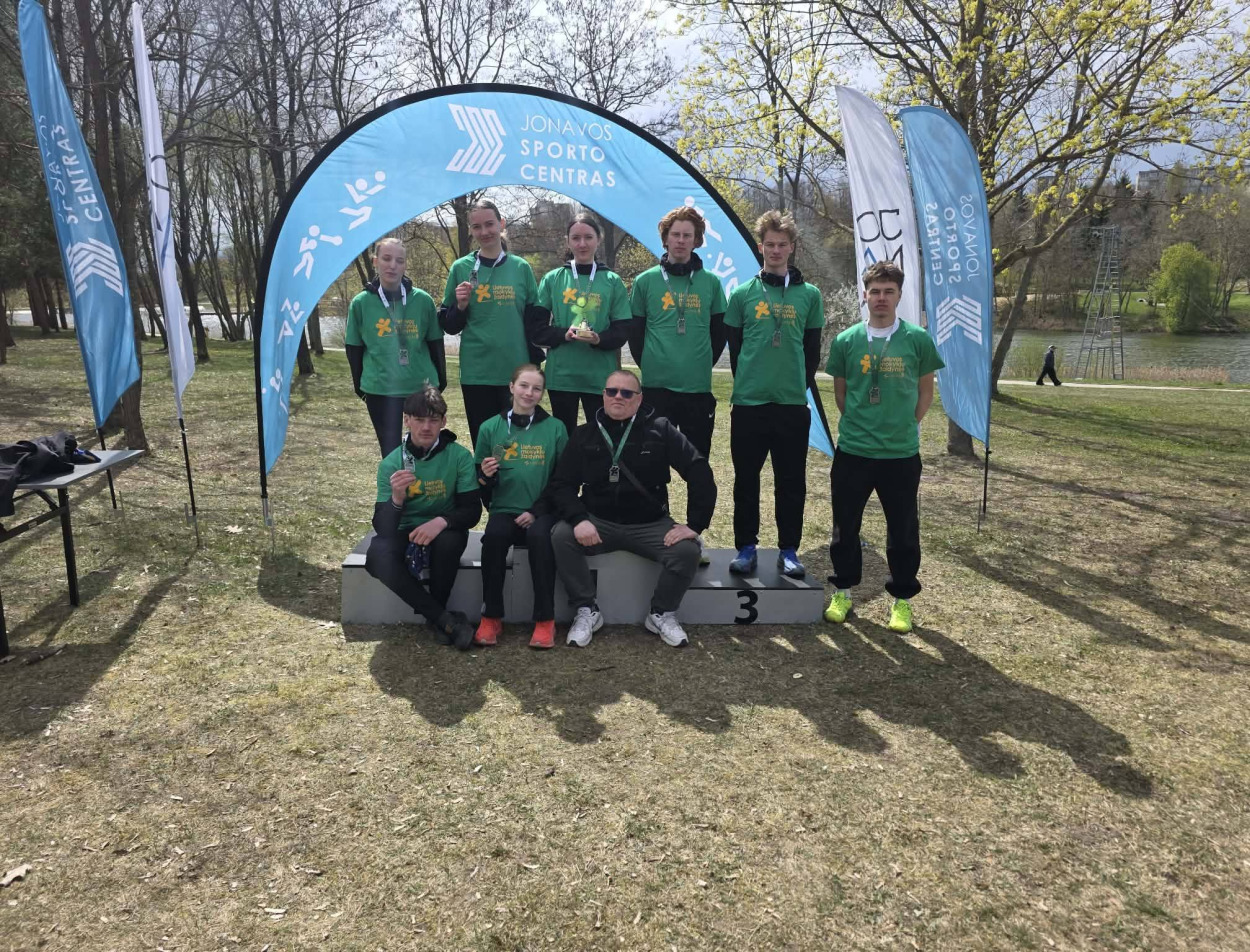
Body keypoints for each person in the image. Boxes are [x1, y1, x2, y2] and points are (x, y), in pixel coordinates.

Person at [548, 369, 716, 648]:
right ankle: (586, 609)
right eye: (612, 391)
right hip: (598, 522)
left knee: (687, 551)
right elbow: (562, 485)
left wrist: (695, 524)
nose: (618, 397)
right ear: (603, 396)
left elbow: (698, 469)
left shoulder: (661, 430)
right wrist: (579, 519)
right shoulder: (584, 434)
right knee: (561, 535)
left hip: (649, 524)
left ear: (639, 399)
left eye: (627, 393)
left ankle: (661, 613)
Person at [823, 260, 945, 634]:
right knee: (845, 526)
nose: (881, 298)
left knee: (903, 529)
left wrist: (905, 425)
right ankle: (843, 592)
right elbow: (841, 394)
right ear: (865, 295)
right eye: (875, 291)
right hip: (854, 451)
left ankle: (902, 599)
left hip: (900, 454)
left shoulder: (917, 339)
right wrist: (863, 425)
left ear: (899, 295)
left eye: (888, 291)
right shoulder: (846, 341)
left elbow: (926, 392)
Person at [723, 210, 824, 579]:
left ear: (792, 247)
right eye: (770, 244)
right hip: (749, 405)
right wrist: (753, 381)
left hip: (791, 406)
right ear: (760, 247)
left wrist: (795, 384)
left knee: (791, 482)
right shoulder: (742, 294)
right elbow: (736, 349)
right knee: (746, 481)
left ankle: (789, 549)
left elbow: (812, 351)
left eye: (782, 244)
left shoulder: (810, 295)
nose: (776, 250)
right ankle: (746, 548)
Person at [364, 386, 481, 650]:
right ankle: (443, 619)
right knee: (377, 556)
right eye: (419, 420)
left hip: (444, 528)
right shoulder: (392, 463)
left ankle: (439, 618)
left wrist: (441, 522)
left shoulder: (460, 456)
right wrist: (396, 499)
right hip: (405, 530)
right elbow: (382, 528)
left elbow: (472, 511)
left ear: (444, 421)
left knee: (450, 541)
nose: (426, 427)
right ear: (406, 420)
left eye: (433, 420)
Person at [472, 364, 569, 649]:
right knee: (493, 538)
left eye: (536, 388)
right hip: (504, 509)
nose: (529, 393)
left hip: (542, 511)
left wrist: (536, 511)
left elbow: (562, 479)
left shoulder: (556, 428)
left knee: (540, 538)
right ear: (511, 387)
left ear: (542, 394)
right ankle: (491, 616)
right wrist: (485, 477)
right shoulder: (490, 427)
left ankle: (545, 620)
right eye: (524, 385)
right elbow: (480, 480)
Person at [627, 206, 728, 459]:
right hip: (656, 388)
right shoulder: (645, 281)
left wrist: (700, 363)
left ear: (696, 240)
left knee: (697, 462)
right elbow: (635, 334)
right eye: (675, 234)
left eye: (687, 235)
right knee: (653, 464)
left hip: (697, 389)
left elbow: (719, 334)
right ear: (665, 238)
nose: (681, 241)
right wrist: (652, 363)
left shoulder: (712, 282)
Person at [440, 199, 541, 448]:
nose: (484, 232)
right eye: (477, 227)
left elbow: (535, 324)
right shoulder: (460, 268)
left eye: (489, 224)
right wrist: (460, 307)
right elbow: (449, 326)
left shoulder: (521, 268)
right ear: (471, 230)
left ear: (501, 224)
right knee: (484, 445)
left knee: (516, 446)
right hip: (477, 373)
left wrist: (535, 366)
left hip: (517, 374)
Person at [526, 213, 632, 434]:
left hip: (600, 377)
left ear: (598, 239)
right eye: (575, 238)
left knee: (601, 439)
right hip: (561, 377)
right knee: (565, 440)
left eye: (588, 237)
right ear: (567, 241)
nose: (582, 244)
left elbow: (622, 331)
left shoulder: (612, 281)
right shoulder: (553, 279)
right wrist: (564, 334)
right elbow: (537, 331)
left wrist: (598, 339)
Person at [346, 236, 447, 456]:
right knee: (390, 451)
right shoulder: (361, 303)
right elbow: (354, 349)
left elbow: (435, 344)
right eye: (386, 259)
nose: (393, 265)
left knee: (425, 448)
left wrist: (440, 381)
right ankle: (395, 481)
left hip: (420, 386)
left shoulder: (423, 300)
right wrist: (360, 385)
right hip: (381, 389)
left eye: (399, 261)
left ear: (405, 265)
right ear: (375, 261)